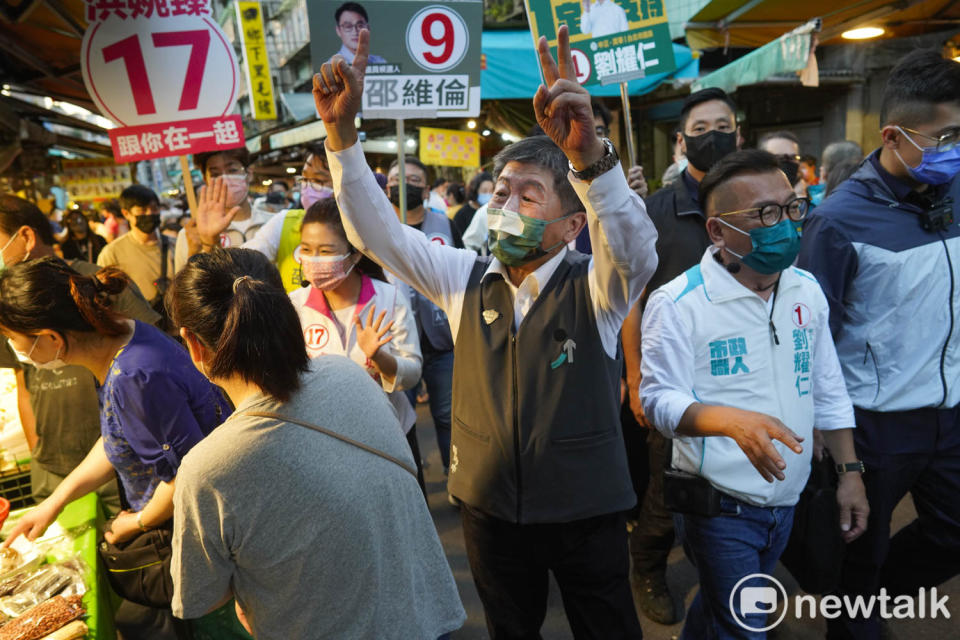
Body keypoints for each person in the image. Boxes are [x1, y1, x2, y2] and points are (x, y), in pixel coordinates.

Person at [312, 26, 657, 637]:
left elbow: (634, 251)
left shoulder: (598, 289)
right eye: (500, 192)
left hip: (587, 511)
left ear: (572, 224)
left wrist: (590, 160)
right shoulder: (461, 278)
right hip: (489, 510)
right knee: (510, 628)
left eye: (529, 196)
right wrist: (342, 139)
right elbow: (379, 236)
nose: (504, 206)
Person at [167, 247, 465, 638]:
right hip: (425, 619)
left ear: (194, 345)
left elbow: (200, 597)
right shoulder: (349, 374)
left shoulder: (207, 468)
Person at [641, 149, 869, 638]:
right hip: (720, 507)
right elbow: (657, 401)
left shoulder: (805, 290)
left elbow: (827, 386)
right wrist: (728, 421)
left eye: (791, 208)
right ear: (719, 232)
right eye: (765, 214)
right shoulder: (679, 303)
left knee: (721, 611)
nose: (784, 224)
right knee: (745, 622)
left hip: (787, 500)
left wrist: (850, 472)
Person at [796, 49, 960, 640]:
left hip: (950, 414)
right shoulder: (838, 222)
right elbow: (811, 339)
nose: (956, 149)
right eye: (945, 137)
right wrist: (835, 449)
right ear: (893, 135)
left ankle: (870, 602)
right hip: (874, 425)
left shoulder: (957, 195)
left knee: (951, 534)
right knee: (860, 549)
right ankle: (858, 614)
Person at [0, 256, 243, 637]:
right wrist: (53, 502)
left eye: (14, 340)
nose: (15, 351)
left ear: (50, 338)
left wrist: (137, 522)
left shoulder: (134, 375)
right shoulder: (124, 340)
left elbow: (188, 474)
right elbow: (116, 439)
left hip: (205, 539)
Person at [620, 86, 741, 625]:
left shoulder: (754, 202)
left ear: (740, 133)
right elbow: (631, 299)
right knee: (665, 491)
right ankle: (646, 568)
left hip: (739, 372)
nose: (712, 137)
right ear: (679, 142)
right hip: (671, 379)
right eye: (700, 129)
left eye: (723, 126)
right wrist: (635, 372)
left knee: (734, 481)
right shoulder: (654, 211)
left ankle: (729, 578)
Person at [0, 195, 159, 512]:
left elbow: (152, 368)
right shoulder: (7, 302)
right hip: (53, 469)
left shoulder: (97, 284)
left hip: (120, 468)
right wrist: (38, 451)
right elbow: (24, 384)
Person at [287, 198, 425, 492]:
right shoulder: (293, 307)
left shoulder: (388, 298)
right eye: (307, 250)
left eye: (326, 251)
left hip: (389, 438)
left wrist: (379, 357)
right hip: (326, 444)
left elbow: (412, 373)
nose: (314, 260)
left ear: (355, 255)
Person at [191, 141, 333, 292]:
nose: (308, 188)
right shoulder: (284, 221)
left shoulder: (357, 229)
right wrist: (208, 242)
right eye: (304, 179)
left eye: (318, 181)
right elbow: (239, 266)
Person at [175, 147, 273, 272]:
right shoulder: (191, 235)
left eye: (232, 170)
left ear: (249, 174)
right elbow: (181, 289)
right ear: (206, 180)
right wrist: (196, 252)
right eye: (215, 174)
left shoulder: (273, 224)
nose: (225, 179)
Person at [96, 185, 175, 315]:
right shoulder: (111, 253)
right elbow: (104, 297)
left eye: (154, 208)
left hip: (175, 328)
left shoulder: (175, 245)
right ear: (126, 213)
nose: (150, 213)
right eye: (143, 210)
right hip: (140, 329)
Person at [758, 130, 806, 197]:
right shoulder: (752, 198)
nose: (787, 162)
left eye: (793, 157)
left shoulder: (809, 195)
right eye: (779, 158)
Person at [453, 171, 493, 238]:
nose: (489, 194)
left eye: (491, 191)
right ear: (475, 191)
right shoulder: (461, 215)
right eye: (484, 191)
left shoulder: (492, 212)